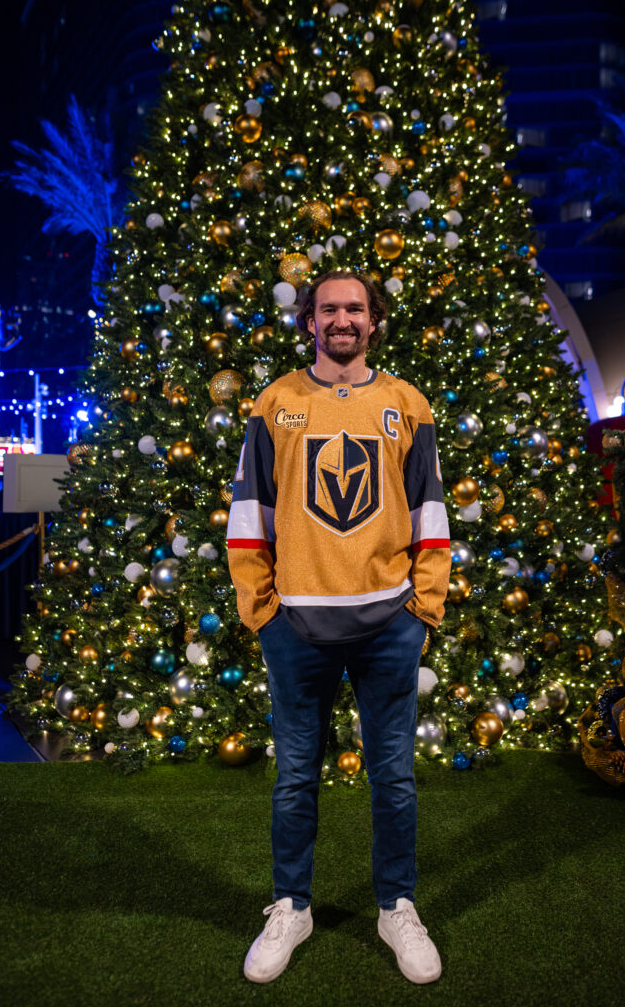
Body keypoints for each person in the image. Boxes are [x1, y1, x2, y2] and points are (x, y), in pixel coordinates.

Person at [226, 270, 451, 985]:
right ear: (310, 321)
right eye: (329, 309)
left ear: (373, 320)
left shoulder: (406, 403)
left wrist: (424, 606)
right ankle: (291, 906)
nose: (342, 319)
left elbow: (430, 509)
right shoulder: (276, 402)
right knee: (295, 778)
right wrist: (261, 609)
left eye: (355, 308)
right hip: (296, 624)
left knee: (394, 778)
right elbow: (250, 510)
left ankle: (396, 906)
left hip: (389, 622)